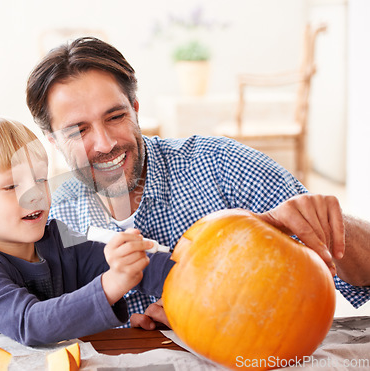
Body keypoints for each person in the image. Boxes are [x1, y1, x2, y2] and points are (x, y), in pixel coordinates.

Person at [25, 37, 370, 327]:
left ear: (135, 109)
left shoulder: (221, 166)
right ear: (53, 140)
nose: (105, 143)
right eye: (78, 130)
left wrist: (333, 225)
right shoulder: (53, 218)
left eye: (115, 117)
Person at [0, 116, 175, 345]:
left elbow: (139, 266)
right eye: (12, 186)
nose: (36, 194)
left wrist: (186, 282)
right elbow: (30, 323)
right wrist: (112, 284)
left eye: (40, 180)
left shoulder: (59, 239)